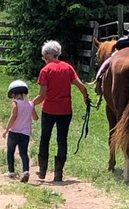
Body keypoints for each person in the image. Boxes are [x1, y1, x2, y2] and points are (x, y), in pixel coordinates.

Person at [33, 40, 89, 182]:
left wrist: (30, 104)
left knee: (45, 139)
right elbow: (82, 86)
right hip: (65, 111)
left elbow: (42, 96)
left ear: (48, 55)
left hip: (49, 110)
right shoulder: (68, 68)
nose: (44, 59)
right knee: (62, 140)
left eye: (44, 56)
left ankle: (42, 171)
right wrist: (85, 98)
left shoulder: (45, 70)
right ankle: (58, 173)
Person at [3, 80, 38, 183]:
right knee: (23, 153)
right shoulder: (31, 104)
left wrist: (6, 130)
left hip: (14, 132)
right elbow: (35, 118)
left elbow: (13, 116)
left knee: (10, 152)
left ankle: (11, 171)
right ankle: (26, 171)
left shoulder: (15, 103)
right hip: (25, 134)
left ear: (13, 94)